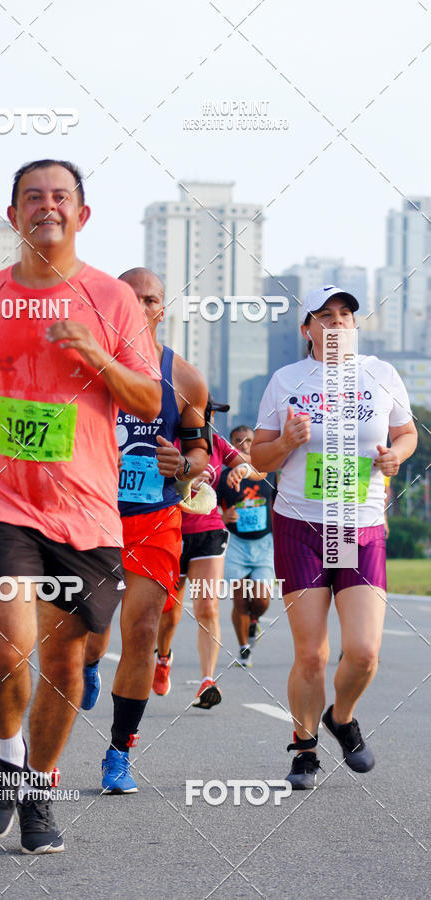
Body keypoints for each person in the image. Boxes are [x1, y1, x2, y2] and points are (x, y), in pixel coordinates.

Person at [0, 160, 161, 854]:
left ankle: (36, 784)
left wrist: (97, 356)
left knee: (66, 663)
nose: (47, 206)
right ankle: (6, 756)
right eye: (32, 197)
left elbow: (150, 401)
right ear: (13, 216)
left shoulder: (111, 300)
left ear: (82, 215)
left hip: (87, 509)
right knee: (5, 642)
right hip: (0, 496)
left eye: (60, 196)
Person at [251, 285, 417, 790]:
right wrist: (286, 442)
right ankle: (303, 748)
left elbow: (406, 433)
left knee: (364, 651)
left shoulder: (380, 374)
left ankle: (340, 718)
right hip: (300, 524)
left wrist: (398, 455)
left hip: (360, 525)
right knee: (312, 653)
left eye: (346, 314)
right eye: (325, 316)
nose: (338, 322)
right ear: (307, 329)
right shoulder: (286, 380)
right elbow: (259, 458)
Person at [80, 266, 209, 793]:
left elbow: (201, 451)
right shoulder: (85, 366)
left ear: (162, 309)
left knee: (141, 630)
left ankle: (118, 752)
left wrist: (183, 463)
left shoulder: (185, 378)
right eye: (128, 298)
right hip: (90, 514)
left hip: (155, 517)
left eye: (150, 299)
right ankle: (90, 662)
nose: (139, 306)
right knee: (90, 633)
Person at [152, 418, 248, 707]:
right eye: (203, 412)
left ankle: (207, 680)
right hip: (171, 532)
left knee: (207, 607)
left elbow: (259, 467)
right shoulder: (165, 439)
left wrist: (243, 468)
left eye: (211, 413)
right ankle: (163, 658)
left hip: (209, 530)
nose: (209, 419)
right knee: (170, 614)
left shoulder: (217, 443)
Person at [218, 425, 275, 669]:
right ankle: (244, 649)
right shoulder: (222, 478)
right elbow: (208, 506)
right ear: (230, 447)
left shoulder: (269, 473)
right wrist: (222, 516)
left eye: (248, 440)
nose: (243, 445)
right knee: (240, 600)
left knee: (262, 599)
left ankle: (255, 620)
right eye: (237, 441)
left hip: (264, 543)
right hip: (236, 544)